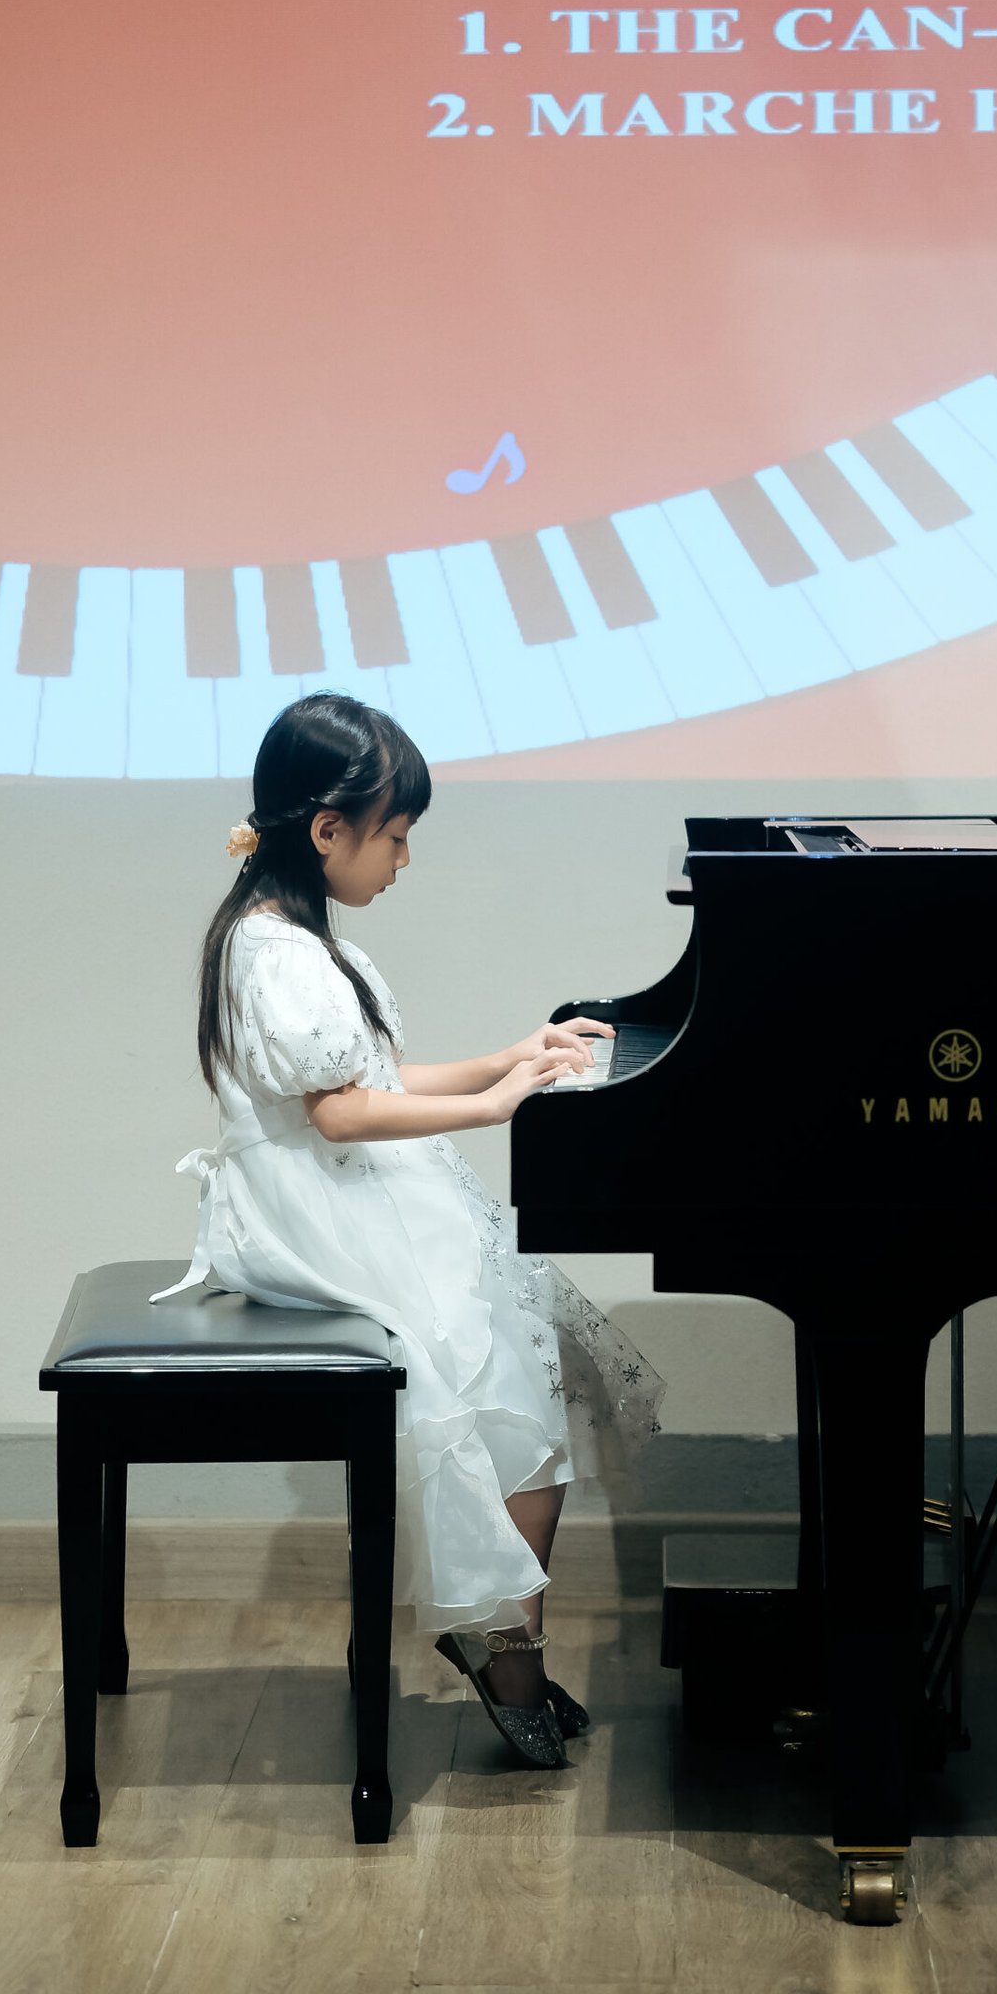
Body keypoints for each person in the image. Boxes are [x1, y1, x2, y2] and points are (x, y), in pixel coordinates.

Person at [158, 691, 664, 1769]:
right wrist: (495, 1106)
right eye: (393, 835)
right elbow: (343, 1115)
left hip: (327, 1191)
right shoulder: (278, 952)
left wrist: (506, 1056)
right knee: (503, 1364)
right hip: (311, 1213)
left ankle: (504, 1635)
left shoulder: (285, 933)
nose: (402, 858)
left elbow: (372, 1080)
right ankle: (504, 1644)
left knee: (524, 1356)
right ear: (326, 829)